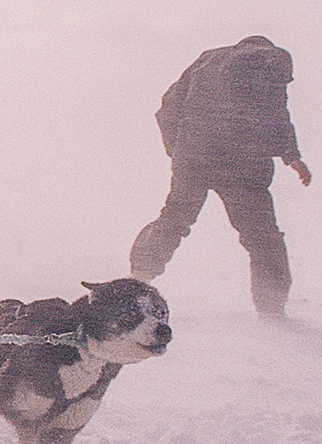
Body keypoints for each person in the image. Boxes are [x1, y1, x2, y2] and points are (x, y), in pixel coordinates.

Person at [128, 36, 312, 318]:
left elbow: (166, 107)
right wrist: (293, 157)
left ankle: (138, 277)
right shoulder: (273, 61)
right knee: (263, 238)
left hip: (194, 159)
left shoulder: (207, 59)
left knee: (174, 220)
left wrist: (178, 149)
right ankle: (272, 312)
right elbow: (278, 114)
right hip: (244, 167)